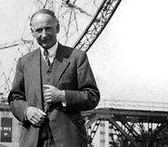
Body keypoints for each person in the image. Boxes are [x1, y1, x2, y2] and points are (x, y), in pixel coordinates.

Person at [8, 9, 100, 147]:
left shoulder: (77, 57)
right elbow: (15, 98)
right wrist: (27, 110)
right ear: (32, 32)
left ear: (57, 28)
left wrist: (63, 96)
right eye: (39, 30)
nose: (44, 35)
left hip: (68, 140)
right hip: (33, 141)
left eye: (48, 29)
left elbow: (92, 96)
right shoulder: (24, 62)